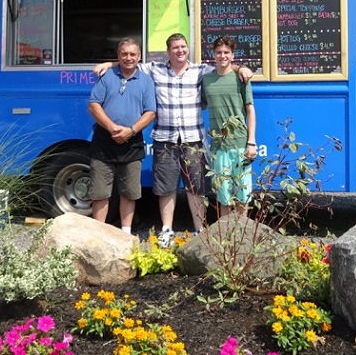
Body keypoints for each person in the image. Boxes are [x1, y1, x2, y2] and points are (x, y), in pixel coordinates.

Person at [94, 34, 251, 246]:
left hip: (193, 138)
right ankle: (167, 229)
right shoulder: (155, 69)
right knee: (166, 187)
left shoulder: (200, 71)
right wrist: (109, 64)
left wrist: (241, 68)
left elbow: (224, 65)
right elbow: (130, 61)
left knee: (196, 187)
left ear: (188, 49)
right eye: (175, 48)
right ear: (168, 52)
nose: (180, 51)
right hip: (165, 138)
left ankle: (199, 229)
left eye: (183, 47)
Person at [87, 38, 156, 233]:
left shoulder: (146, 81)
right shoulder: (107, 76)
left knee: (130, 192)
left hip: (132, 141)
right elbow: (93, 105)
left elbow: (150, 112)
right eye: (124, 54)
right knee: (100, 192)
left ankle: (126, 232)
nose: (128, 58)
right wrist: (111, 128)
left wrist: (131, 130)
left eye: (133, 54)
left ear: (139, 57)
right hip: (104, 140)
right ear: (118, 56)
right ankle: (99, 233)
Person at [202, 36, 257, 217]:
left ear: (233, 55)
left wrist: (251, 142)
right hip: (218, 146)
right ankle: (226, 230)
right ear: (213, 54)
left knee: (243, 193)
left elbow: (250, 110)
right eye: (219, 52)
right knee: (223, 194)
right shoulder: (206, 80)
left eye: (226, 52)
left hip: (240, 143)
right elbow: (201, 104)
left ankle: (242, 231)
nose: (222, 56)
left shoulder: (241, 78)